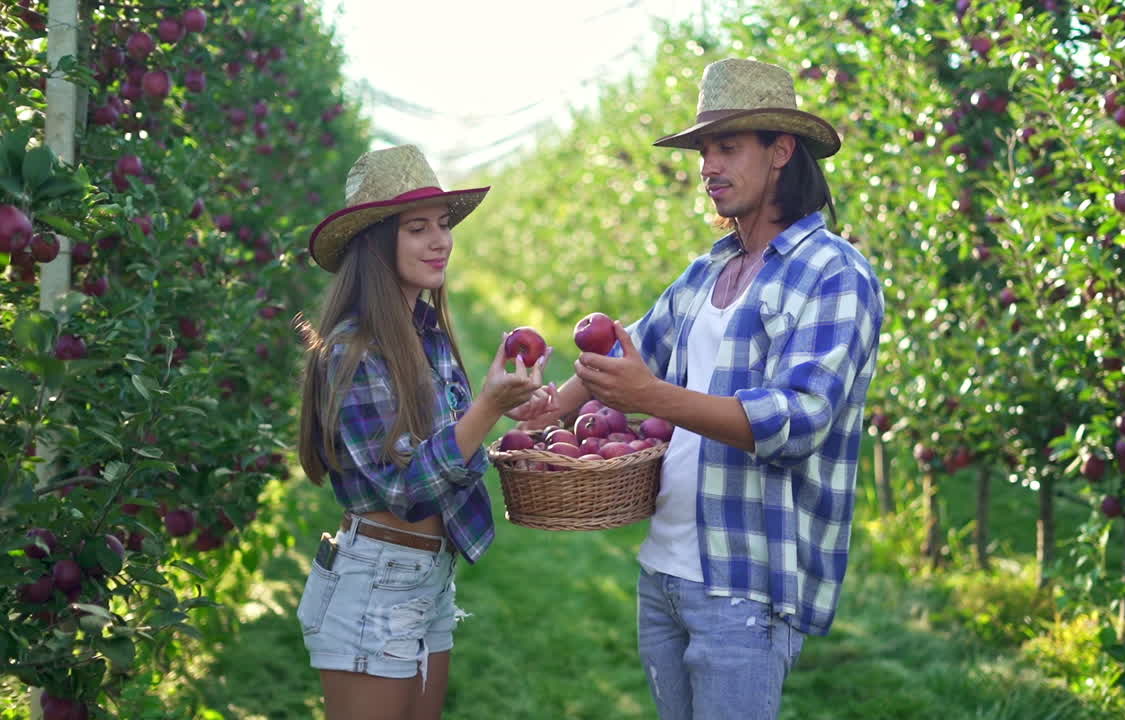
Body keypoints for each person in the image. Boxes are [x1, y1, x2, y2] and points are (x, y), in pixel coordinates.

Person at [520, 58, 884, 719]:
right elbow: (631, 345)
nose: (708, 166)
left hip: (744, 584)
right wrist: (552, 408)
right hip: (664, 571)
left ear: (781, 151)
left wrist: (650, 397)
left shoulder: (834, 273)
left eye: (727, 147)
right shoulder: (709, 269)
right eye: (703, 150)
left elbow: (797, 422)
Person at [294, 144, 554, 720]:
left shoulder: (428, 336)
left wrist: (510, 413)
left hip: (427, 576)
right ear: (375, 243)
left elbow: (437, 450)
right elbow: (403, 488)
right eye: (418, 229)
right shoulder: (351, 351)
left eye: (442, 225)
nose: (441, 241)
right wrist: (485, 409)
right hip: (375, 581)